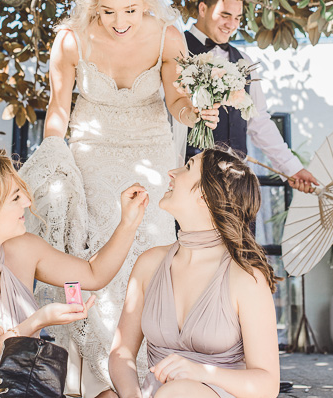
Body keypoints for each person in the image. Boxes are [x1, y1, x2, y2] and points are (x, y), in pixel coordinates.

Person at [23, 0, 218, 398]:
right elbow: (58, 109)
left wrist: (196, 110)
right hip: (91, 154)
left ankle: (150, 372)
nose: (120, 22)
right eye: (109, 11)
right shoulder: (71, 40)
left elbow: (175, 99)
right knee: (94, 257)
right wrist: (56, 157)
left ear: (146, 4)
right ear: (94, 6)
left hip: (150, 155)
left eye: (130, 10)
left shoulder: (168, 37)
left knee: (149, 253)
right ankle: (97, 378)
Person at [0, 153, 149, 398]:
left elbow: (94, 274)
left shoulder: (23, 247)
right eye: (15, 197)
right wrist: (35, 323)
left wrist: (128, 223)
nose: (27, 201)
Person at [109, 147, 280, 398]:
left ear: (205, 195)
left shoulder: (245, 278)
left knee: (178, 393)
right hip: (152, 395)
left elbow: (267, 385)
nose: (172, 172)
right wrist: (131, 395)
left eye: (188, 167)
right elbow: (121, 351)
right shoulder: (149, 263)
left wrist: (202, 372)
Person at [184, 0, 318, 194]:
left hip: (237, 187)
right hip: (190, 185)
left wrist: (292, 168)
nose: (232, 25)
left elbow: (259, 122)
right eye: (225, 15)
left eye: (237, 18)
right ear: (202, 8)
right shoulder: (176, 50)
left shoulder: (243, 61)